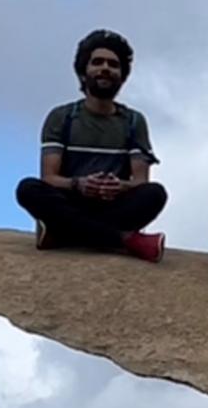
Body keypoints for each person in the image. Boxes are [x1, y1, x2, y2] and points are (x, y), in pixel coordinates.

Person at [16, 29, 167, 261]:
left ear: (122, 76)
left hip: (113, 206)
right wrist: (80, 184)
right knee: (28, 189)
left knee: (155, 194)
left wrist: (119, 187)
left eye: (113, 64)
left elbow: (140, 181)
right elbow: (49, 177)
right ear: (83, 72)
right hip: (72, 200)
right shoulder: (62, 117)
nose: (105, 68)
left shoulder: (134, 121)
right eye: (97, 62)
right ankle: (123, 240)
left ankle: (64, 233)